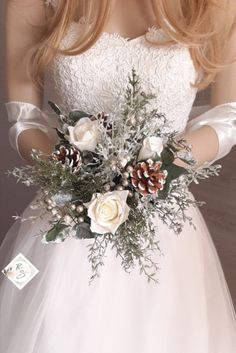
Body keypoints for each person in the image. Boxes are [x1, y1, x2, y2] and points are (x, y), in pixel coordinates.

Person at [1, 0, 236, 352]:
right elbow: (24, 119)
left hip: (165, 228)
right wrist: (79, 173)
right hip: (67, 215)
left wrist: (154, 169)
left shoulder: (214, 4)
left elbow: (226, 117)